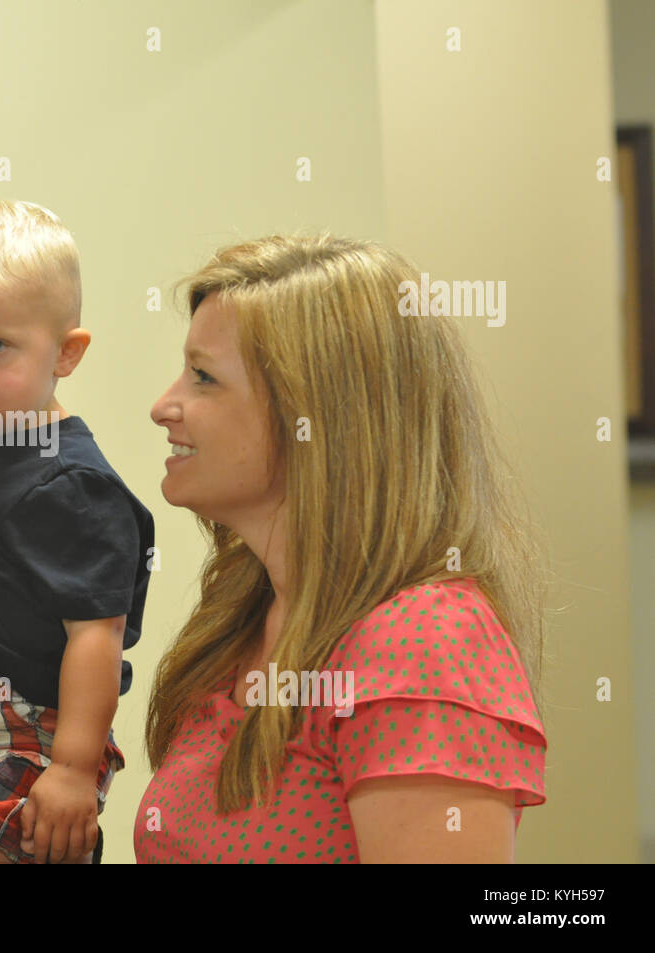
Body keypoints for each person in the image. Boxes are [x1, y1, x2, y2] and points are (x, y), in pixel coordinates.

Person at [135, 234, 547, 863]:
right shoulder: (242, 615)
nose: (165, 406)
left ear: (317, 418)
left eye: (204, 378)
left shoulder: (425, 641)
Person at [0, 200, 154, 863]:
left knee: (5, 846)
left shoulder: (73, 486)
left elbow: (95, 636)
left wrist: (73, 768)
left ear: (67, 353)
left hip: (37, 723)